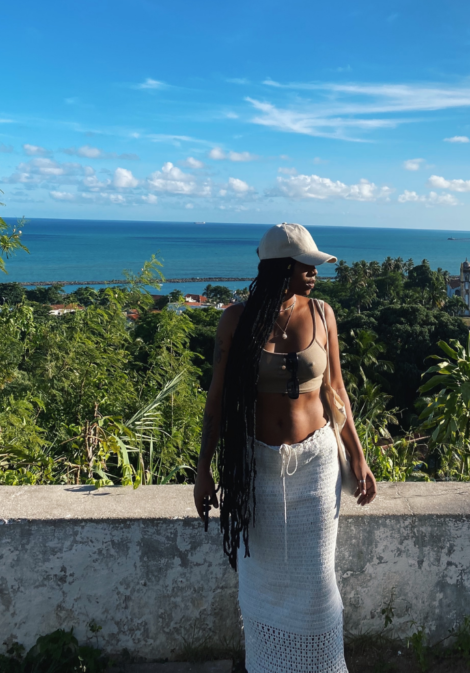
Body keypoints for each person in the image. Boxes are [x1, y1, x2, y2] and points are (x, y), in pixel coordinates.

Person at [194, 222, 377, 673]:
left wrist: (357, 453)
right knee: (262, 583)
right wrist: (203, 470)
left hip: (316, 466)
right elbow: (216, 399)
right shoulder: (236, 320)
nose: (314, 273)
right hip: (254, 469)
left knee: (317, 584)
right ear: (281, 267)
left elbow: (336, 390)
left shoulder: (322, 313)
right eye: (305, 265)